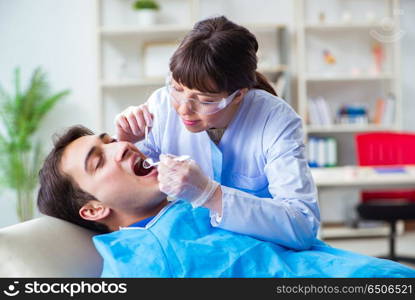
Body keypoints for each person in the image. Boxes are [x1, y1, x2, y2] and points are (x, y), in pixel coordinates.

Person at [37, 125, 415, 278]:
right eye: (98, 160)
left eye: (109, 140)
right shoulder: (139, 259)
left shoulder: (188, 204)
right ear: (93, 209)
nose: (120, 146)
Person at [114, 16, 319, 251]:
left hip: (263, 254)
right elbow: (123, 193)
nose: (183, 109)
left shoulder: (275, 120)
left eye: (205, 100)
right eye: (178, 89)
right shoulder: (160, 106)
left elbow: (303, 225)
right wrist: (125, 141)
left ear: (239, 95)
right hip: (191, 250)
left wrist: (210, 194)